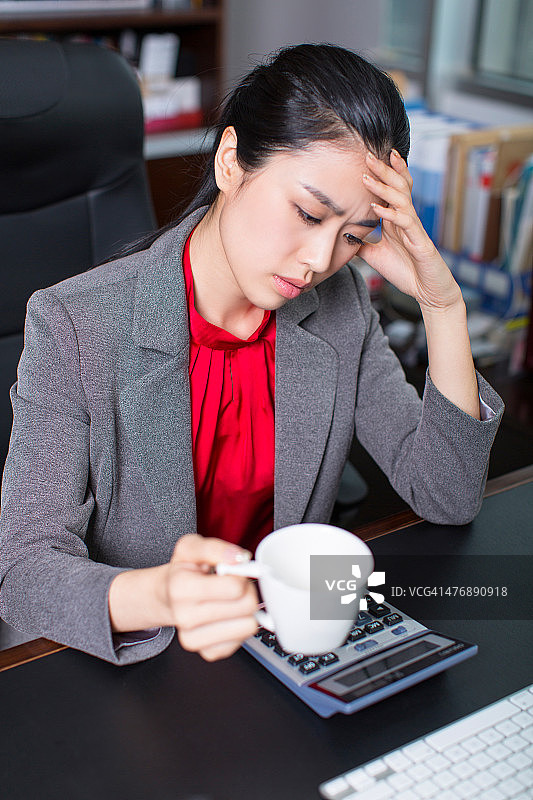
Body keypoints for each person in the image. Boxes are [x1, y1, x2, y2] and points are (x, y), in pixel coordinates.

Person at [0, 44, 503, 666]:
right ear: (232, 159)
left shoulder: (338, 304)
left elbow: (445, 495)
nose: (319, 260)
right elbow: (20, 572)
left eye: (352, 236)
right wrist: (157, 594)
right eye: (307, 213)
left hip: (283, 649)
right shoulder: (77, 324)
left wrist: (443, 305)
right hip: (147, 660)